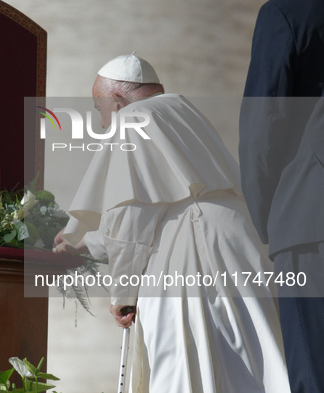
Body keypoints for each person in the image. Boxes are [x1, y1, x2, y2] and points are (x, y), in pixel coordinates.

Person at [53, 54, 290, 393]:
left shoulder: (132, 119)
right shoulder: (183, 111)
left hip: (191, 251)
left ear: (116, 101)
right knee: (252, 360)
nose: (103, 123)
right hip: (237, 241)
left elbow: (133, 218)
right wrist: (87, 243)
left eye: (99, 109)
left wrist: (123, 295)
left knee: (183, 360)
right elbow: (160, 206)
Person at [239, 1, 324, 391]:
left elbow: (263, 122)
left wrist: (267, 215)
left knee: (313, 372)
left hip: (308, 223)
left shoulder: (289, 12)